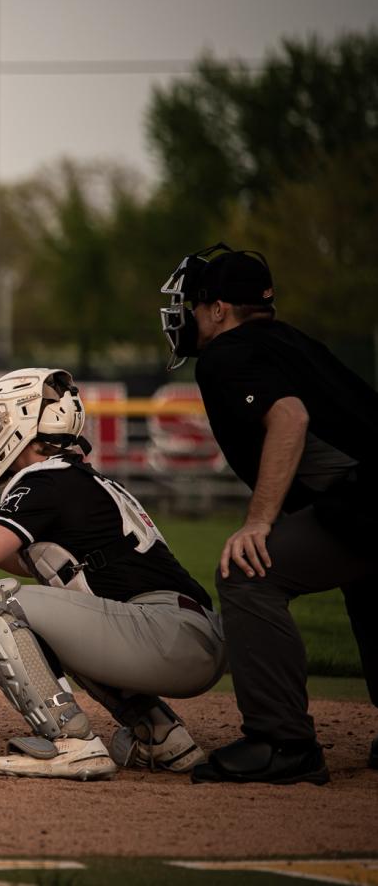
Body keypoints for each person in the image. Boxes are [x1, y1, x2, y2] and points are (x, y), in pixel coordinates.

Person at [0, 368, 227, 780]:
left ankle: (71, 742)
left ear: (24, 425)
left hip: (167, 634)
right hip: (185, 635)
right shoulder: (73, 478)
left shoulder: (44, 482)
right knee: (57, 616)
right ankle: (162, 735)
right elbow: (34, 564)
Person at [159, 244, 378, 784]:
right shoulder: (295, 342)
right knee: (365, 578)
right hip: (363, 501)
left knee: (249, 572)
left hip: (366, 499)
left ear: (218, 310)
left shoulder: (227, 353)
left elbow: (289, 417)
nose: (188, 316)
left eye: (195, 305)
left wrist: (259, 522)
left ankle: (283, 743)